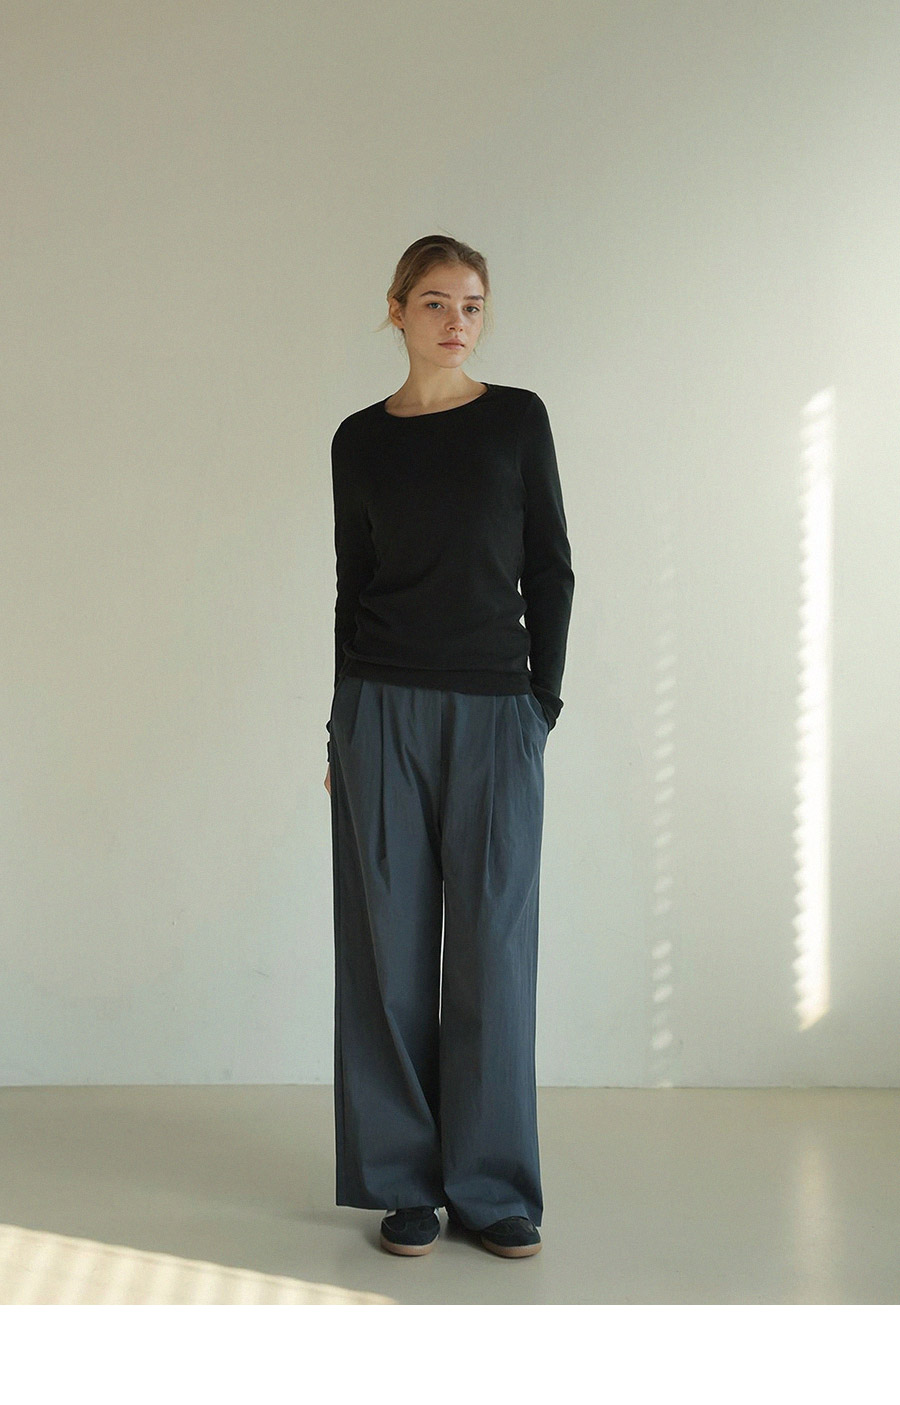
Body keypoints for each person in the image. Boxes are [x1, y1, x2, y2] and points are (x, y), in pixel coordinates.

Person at [324, 234, 574, 1258]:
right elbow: (353, 584)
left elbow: (550, 566)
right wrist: (339, 724)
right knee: (384, 953)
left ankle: (493, 1184)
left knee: (493, 951)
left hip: (495, 709)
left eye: (471, 304)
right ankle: (404, 1181)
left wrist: (539, 705)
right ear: (397, 310)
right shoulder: (358, 440)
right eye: (434, 301)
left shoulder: (517, 420)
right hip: (380, 708)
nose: (456, 320)